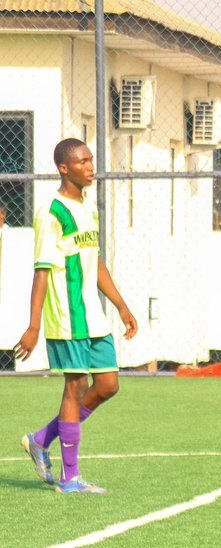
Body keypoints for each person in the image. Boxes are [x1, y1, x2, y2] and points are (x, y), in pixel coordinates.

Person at [13, 138, 138, 494]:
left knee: (108, 385)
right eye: (82, 161)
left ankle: (41, 439)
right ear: (63, 168)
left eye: (90, 160)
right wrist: (34, 325)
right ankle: (70, 479)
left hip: (93, 314)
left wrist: (121, 305)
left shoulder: (88, 207)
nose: (90, 166)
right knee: (75, 386)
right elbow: (41, 271)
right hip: (66, 315)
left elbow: (94, 261)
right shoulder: (52, 211)